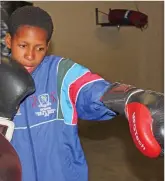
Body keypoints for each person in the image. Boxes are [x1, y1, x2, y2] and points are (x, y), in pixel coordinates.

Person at [1, 5, 164, 181]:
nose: (30, 56)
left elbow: (90, 88)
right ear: (9, 41)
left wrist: (128, 97)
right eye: (23, 45)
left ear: (48, 46)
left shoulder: (60, 72)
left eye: (39, 48)